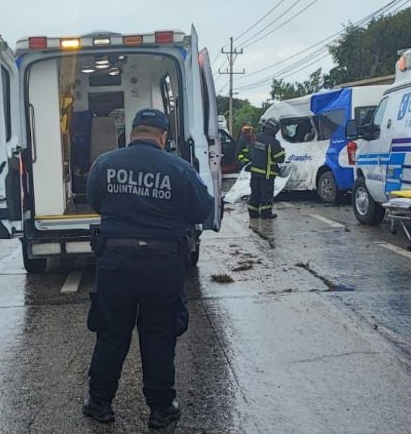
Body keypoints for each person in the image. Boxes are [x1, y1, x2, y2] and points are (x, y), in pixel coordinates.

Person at [83, 108, 213, 429]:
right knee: (158, 335)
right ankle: (161, 409)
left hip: (116, 263)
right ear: (163, 136)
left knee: (112, 333)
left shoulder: (106, 164)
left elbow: (94, 200)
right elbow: (203, 209)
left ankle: (100, 403)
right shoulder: (179, 169)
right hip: (162, 265)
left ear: (131, 131)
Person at [238, 118, 286, 219]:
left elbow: (251, 153)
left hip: (254, 172)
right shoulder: (274, 142)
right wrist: (282, 151)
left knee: (255, 193)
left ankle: (253, 212)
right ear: (275, 129)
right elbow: (280, 159)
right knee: (266, 194)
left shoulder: (257, 138)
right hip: (266, 174)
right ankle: (266, 213)